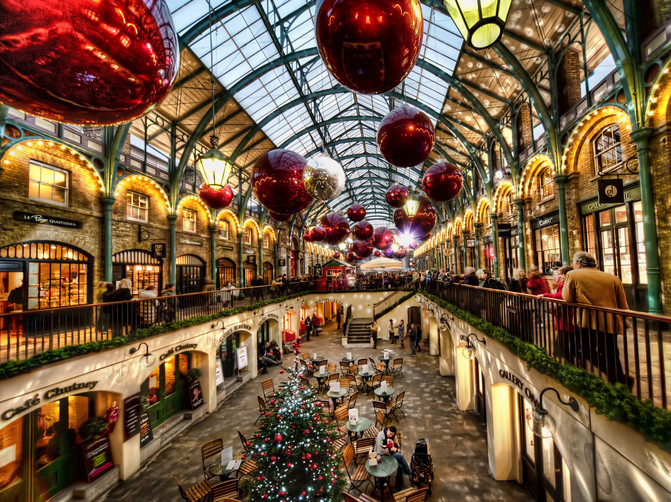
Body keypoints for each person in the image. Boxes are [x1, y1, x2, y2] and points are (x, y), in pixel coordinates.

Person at [562, 251, 631, 387]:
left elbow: (567, 297)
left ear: (578, 264)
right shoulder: (613, 278)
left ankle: (620, 378)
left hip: (587, 321)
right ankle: (618, 382)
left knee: (587, 351)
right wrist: (625, 320)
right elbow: (623, 304)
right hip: (610, 321)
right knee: (611, 352)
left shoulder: (573, 275)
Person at [539, 266, 573, 359]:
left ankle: (564, 356)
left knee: (565, 334)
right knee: (564, 334)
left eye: (561, 274)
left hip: (566, 314)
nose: (559, 276)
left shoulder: (566, 284)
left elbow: (560, 296)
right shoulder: (564, 283)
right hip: (564, 314)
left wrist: (545, 295)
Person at [375, 426, 411, 490]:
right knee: (401, 456)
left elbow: (397, 444)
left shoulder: (392, 436)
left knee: (400, 466)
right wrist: (391, 449)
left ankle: (398, 485)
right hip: (382, 456)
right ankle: (409, 473)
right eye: (390, 434)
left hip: (388, 454)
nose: (391, 436)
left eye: (392, 435)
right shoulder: (381, 436)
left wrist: (395, 446)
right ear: (388, 429)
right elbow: (379, 451)